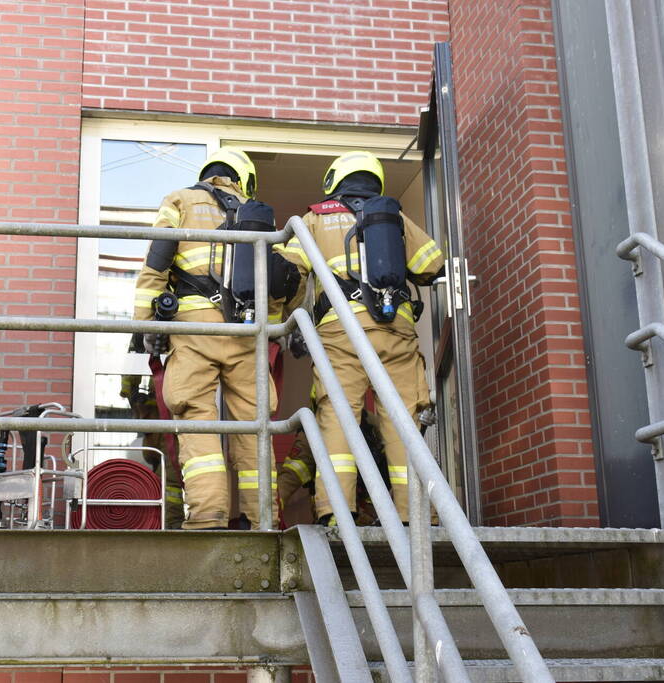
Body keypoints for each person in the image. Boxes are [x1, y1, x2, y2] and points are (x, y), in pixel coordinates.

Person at [278, 150, 444, 525]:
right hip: (396, 332)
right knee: (402, 424)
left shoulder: (313, 220)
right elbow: (431, 266)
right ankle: (413, 516)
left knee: (339, 419)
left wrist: (289, 323)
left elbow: (287, 276)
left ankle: (336, 514)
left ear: (335, 180)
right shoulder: (394, 216)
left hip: (341, 334)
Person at [132, 147, 283, 530]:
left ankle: (208, 517)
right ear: (243, 177)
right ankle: (261, 518)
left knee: (197, 421)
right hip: (247, 331)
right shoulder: (258, 215)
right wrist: (275, 329)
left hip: (194, 327)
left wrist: (146, 326)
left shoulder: (180, 200)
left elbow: (156, 263)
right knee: (254, 426)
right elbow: (281, 282)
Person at [120, 373, 185, 529]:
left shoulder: (166, 369)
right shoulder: (148, 363)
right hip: (161, 432)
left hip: (170, 430)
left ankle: (170, 523)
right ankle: (166, 522)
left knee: (168, 480)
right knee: (165, 480)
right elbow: (130, 388)